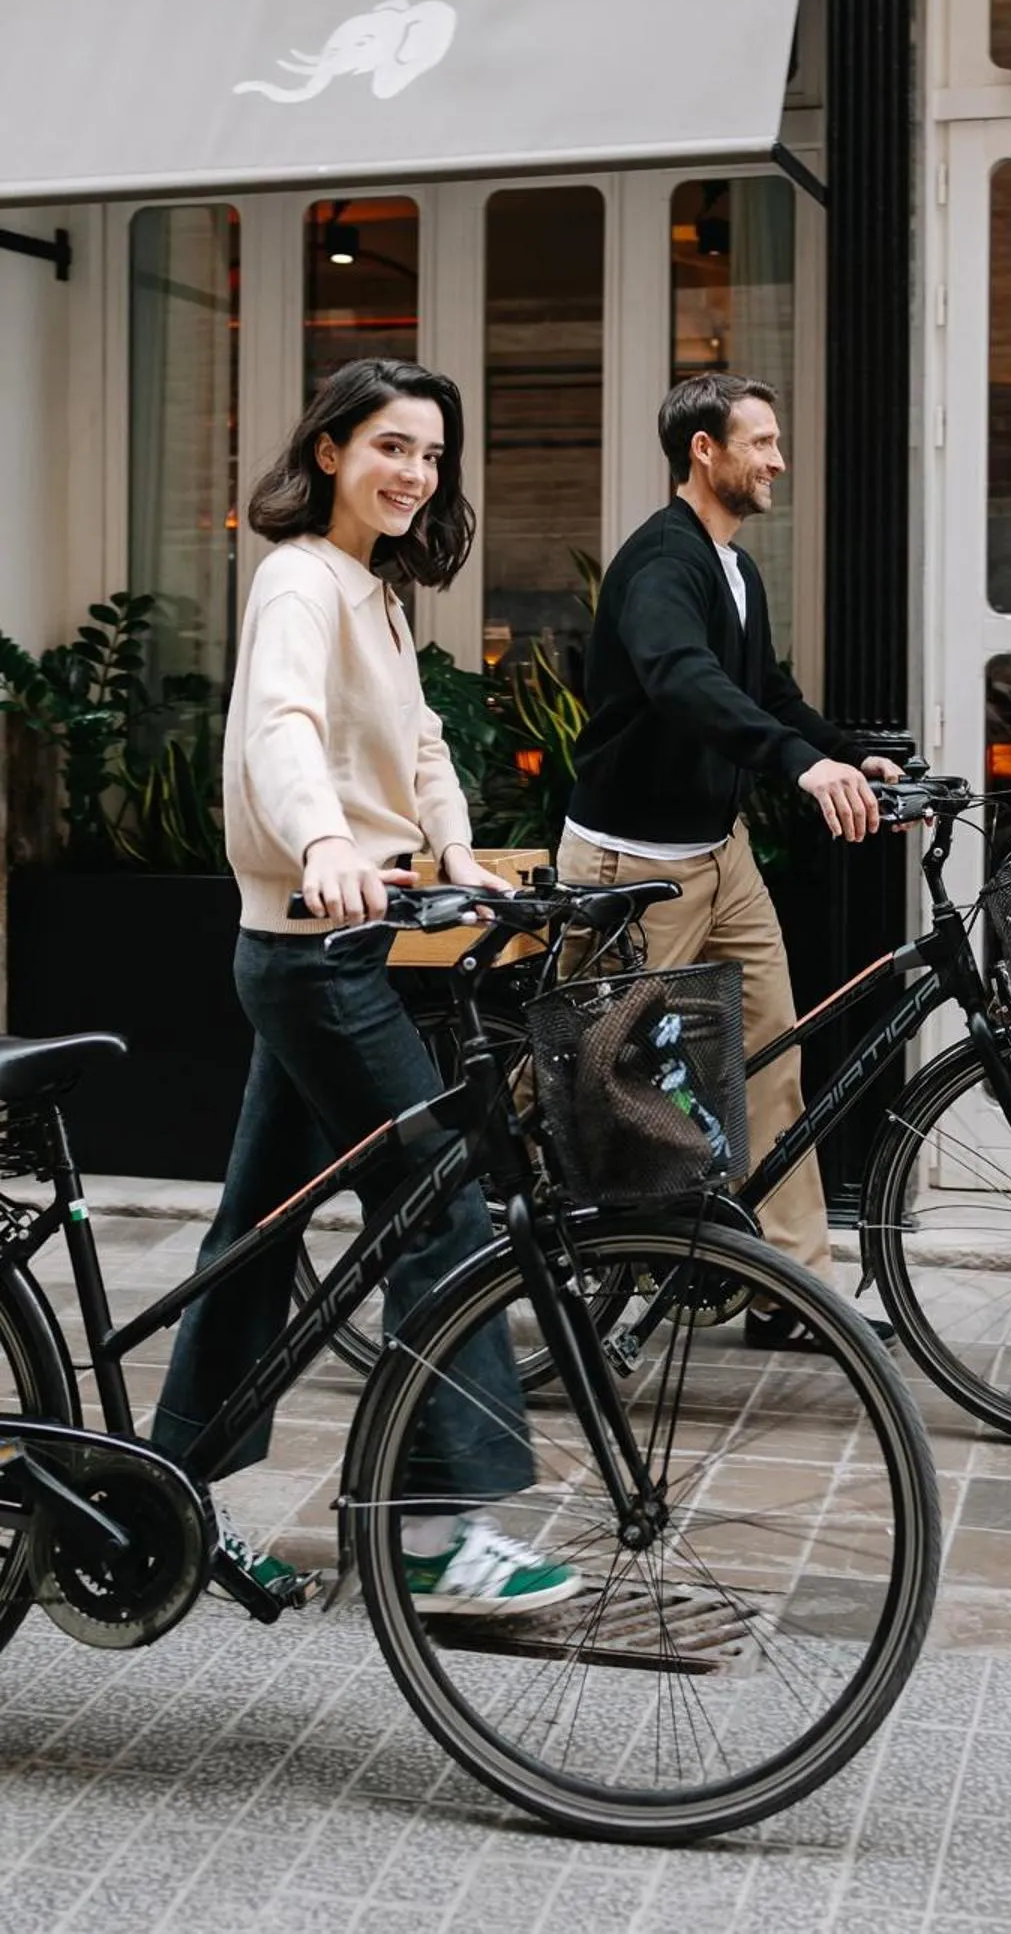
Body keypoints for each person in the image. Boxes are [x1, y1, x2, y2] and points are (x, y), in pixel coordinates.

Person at [153, 357, 578, 1617]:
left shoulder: (378, 596)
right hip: (311, 939)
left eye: (433, 456)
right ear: (331, 448)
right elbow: (280, 726)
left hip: (346, 942)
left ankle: (166, 1485)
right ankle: (439, 1532)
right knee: (441, 1205)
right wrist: (325, 842)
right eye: (392, 445)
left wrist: (455, 853)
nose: (414, 474)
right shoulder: (297, 581)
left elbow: (423, 742)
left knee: (259, 1236)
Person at [557, 371, 904, 1349]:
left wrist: (841, 749)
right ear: (703, 450)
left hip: (720, 853)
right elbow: (682, 679)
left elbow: (770, 690)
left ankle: (788, 1290)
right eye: (760, 442)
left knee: (770, 1061)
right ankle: (554, 1235)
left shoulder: (736, 567)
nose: (778, 460)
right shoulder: (662, 563)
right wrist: (796, 763)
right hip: (636, 868)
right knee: (618, 1083)